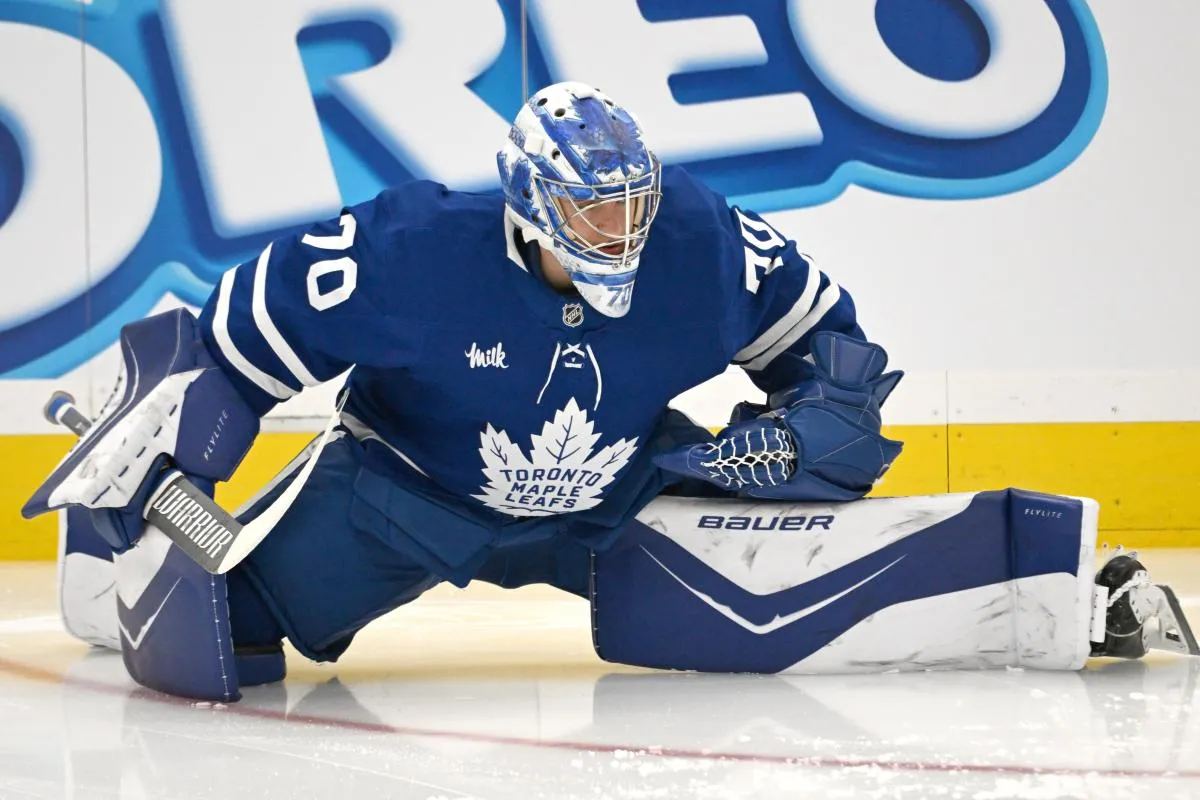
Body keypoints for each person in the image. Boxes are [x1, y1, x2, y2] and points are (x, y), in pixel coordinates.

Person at [24, 82, 1194, 701]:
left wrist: (767, 450)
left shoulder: (705, 240)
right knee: (205, 639)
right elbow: (221, 356)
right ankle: (100, 552)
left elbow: (842, 373)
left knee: (772, 606)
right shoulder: (406, 247)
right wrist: (172, 489)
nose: (618, 232)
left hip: (613, 496)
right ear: (528, 203)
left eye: (628, 204)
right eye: (589, 211)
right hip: (400, 494)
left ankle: (1061, 583)